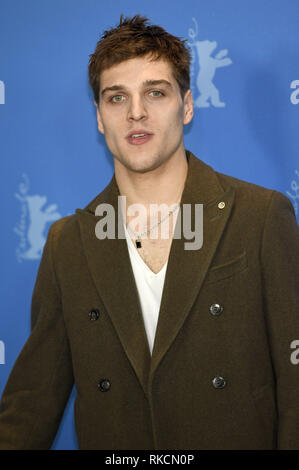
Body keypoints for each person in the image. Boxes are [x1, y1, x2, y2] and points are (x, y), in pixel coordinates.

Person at [0, 13, 299, 450]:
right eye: (116, 98)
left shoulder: (260, 215)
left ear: (188, 104)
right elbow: (32, 401)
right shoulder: (69, 242)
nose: (136, 113)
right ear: (100, 117)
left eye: (155, 93)